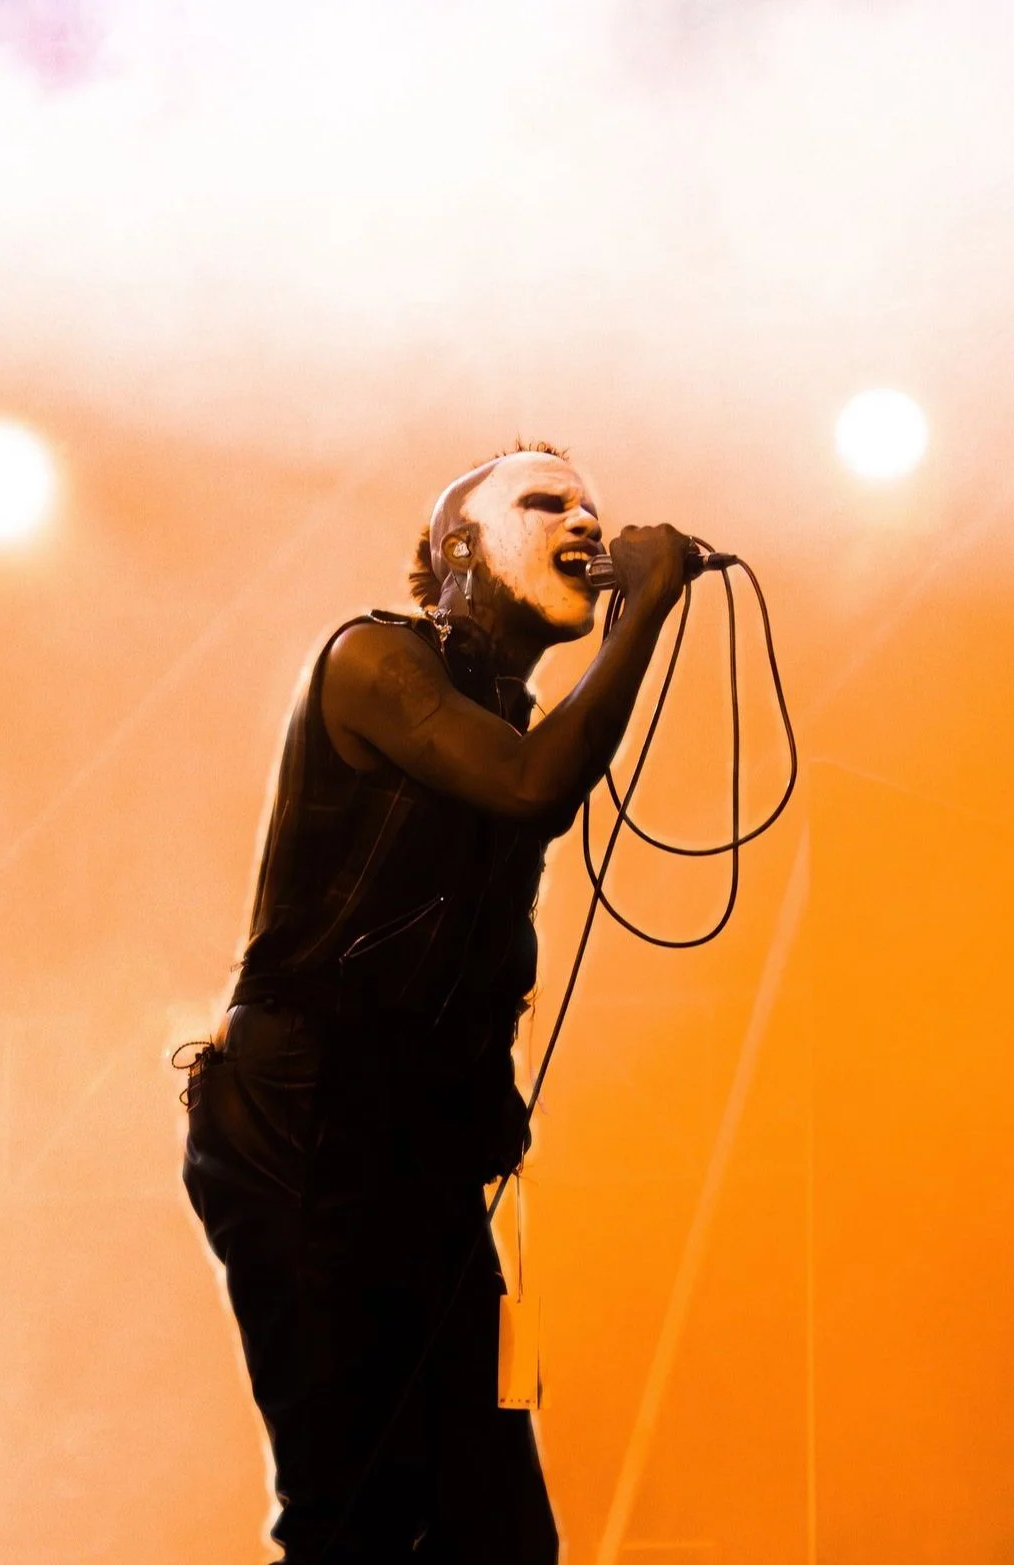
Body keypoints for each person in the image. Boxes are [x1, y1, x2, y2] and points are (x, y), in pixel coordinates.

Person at [182, 442, 689, 1564]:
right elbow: (531, 790)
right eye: (545, 501)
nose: (587, 523)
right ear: (457, 550)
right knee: (353, 1513)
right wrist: (645, 609)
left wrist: (482, 1095)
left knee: (496, 1528)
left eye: (594, 507)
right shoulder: (373, 660)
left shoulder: (505, 717)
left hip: (415, 1158)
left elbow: (472, 931)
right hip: (300, 1129)